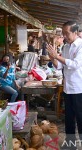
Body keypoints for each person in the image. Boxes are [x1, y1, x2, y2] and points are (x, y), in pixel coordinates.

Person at [47, 21, 82, 149]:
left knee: (81, 119)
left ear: (75, 32)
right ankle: (71, 145)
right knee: (69, 120)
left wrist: (57, 56)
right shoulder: (66, 47)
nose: (65, 36)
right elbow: (60, 66)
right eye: (63, 34)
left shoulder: (80, 46)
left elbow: (74, 64)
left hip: (79, 89)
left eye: (67, 33)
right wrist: (52, 58)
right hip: (68, 89)